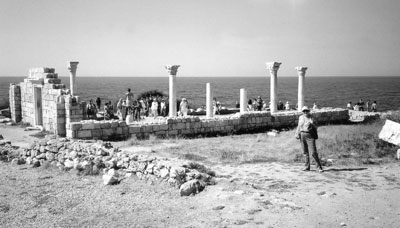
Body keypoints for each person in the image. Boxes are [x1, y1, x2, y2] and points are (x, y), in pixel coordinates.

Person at [295, 106, 323, 173]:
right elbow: (299, 126)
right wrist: (296, 133)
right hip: (302, 135)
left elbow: (317, 127)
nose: (305, 112)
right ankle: (306, 167)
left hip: (310, 135)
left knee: (313, 152)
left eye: (306, 111)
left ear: (308, 111)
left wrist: (312, 123)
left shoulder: (312, 117)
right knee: (305, 152)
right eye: (304, 111)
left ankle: (319, 167)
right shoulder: (300, 117)